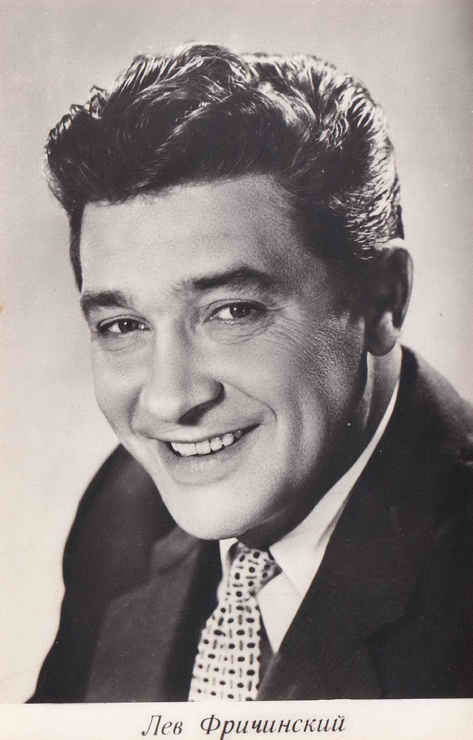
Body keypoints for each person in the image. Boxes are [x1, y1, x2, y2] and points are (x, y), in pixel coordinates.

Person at [31, 43, 472, 702]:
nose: (170, 400)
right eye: (123, 325)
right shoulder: (123, 511)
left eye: (232, 311)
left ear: (383, 298)